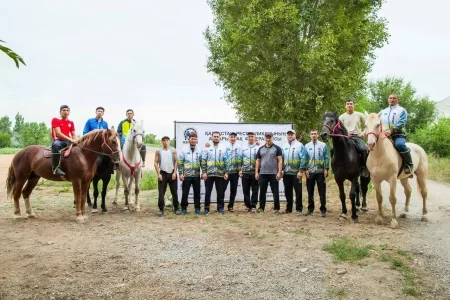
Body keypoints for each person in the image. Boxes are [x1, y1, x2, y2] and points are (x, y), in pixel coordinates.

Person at [379, 93, 413, 174]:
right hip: (385, 135)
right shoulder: (383, 111)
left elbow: (402, 123)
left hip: (398, 135)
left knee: (400, 145)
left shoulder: (402, 110)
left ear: (398, 100)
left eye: (394, 98)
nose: (392, 100)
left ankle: (408, 164)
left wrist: (391, 131)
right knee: (373, 145)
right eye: (390, 98)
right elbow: (379, 123)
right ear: (388, 99)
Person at [339, 99, 369, 177]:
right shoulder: (341, 117)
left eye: (351, 104)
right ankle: (336, 167)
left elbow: (368, 125)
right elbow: (339, 129)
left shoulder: (360, 115)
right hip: (345, 137)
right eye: (348, 104)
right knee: (333, 149)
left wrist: (363, 133)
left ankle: (363, 168)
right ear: (345, 106)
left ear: (354, 105)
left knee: (363, 149)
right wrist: (345, 134)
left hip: (357, 136)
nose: (349, 105)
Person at [201, 131, 229, 215]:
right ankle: (206, 208)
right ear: (212, 137)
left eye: (217, 136)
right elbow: (203, 160)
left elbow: (226, 161)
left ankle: (220, 208)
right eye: (214, 136)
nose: (216, 138)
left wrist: (226, 172)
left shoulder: (224, 148)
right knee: (207, 192)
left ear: (220, 138)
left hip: (220, 174)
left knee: (220, 192)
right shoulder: (207, 147)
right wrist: (204, 172)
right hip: (209, 174)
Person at [255, 132, 283, 214]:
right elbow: (258, 161)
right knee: (262, 192)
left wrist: (279, 172)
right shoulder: (261, 149)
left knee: (275, 192)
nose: (268, 139)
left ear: (272, 138)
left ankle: (276, 209)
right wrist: (256, 172)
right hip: (263, 173)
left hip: (274, 173)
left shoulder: (277, 148)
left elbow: (280, 161)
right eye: (267, 137)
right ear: (265, 138)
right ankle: (261, 208)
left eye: (269, 137)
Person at [304, 129, 329, 217]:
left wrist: (326, 168)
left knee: (322, 192)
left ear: (318, 135)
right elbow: (305, 158)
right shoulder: (306, 146)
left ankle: (323, 210)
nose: (313, 135)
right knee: (310, 192)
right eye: (312, 134)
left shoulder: (323, 145)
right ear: (310, 135)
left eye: (315, 134)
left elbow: (326, 157)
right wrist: (305, 169)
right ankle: (310, 209)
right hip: (310, 172)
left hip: (320, 172)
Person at [154, 136, 181, 216]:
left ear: (169, 141)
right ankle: (161, 209)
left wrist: (175, 172)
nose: (165, 142)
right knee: (161, 192)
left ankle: (176, 208)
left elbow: (176, 161)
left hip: (172, 173)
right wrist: (158, 173)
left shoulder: (173, 150)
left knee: (174, 192)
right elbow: (155, 162)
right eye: (164, 141)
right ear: (162, 142)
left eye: (167, 140)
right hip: (163, 173)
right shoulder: (158, 151)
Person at [282, 129, 306, 214]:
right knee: (288, 192)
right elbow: (282, 159)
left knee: (298, 191)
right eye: (288, 134)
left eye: (292, 134)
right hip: (286, 173)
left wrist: (301, 171)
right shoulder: (284, 146)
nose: (290, 136)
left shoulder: (300, 145)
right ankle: (289, 209)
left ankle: (299, 209)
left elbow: (303, 158)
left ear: (295, 135)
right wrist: (281, 170)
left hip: (296, 173)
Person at [178, 133, 202, 215]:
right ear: (188, 140)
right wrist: (180, 173)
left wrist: (203, 173)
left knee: (197, 193)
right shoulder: (183, 150)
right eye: (192, 139)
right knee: (185, 193)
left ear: (197, 140)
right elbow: (180, 162)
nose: (193, 140)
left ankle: (197, 208)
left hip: (196, 175)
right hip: (187, 175)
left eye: (195, 139)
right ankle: (184, 208)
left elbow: (202, 162)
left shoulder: (199, 150)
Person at [50, 105, 78, 176]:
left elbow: (73, 135)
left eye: (67, 110)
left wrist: (77, 141)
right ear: (60, 112)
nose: (66, 112)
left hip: (68, 141)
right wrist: (70, 139)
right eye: (64, 110)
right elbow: (58, 133)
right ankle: (56, 168)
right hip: (59, 141)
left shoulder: (71, 122)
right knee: (56, 145)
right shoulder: (55, 120)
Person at [240, 132, 260, 213]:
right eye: (249, 136)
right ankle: (247, 205)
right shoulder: (243, 147)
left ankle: (254, 205)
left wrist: (258, 171)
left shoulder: (259, 147)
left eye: (252, 136)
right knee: (246, 190)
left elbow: (260, 159)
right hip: (245, 172)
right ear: (247, 138)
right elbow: (240, 159)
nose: (251, 138)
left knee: (255, 190)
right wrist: (240, 170)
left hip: (255, 172)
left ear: (255, 138)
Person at [224, 132, 242, 212]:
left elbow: (241, 158)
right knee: (222, 189)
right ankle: (220, 206)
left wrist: (239, 170)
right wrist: (225, 171)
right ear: (229, 138)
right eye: (231, 137)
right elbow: (222, 159)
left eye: (234, 137)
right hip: (226, 173)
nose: (233, 138)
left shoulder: (239, 147)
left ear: (236, 138)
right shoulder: (224, 146)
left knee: (233, 190)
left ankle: (230, 206)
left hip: (235, 172)